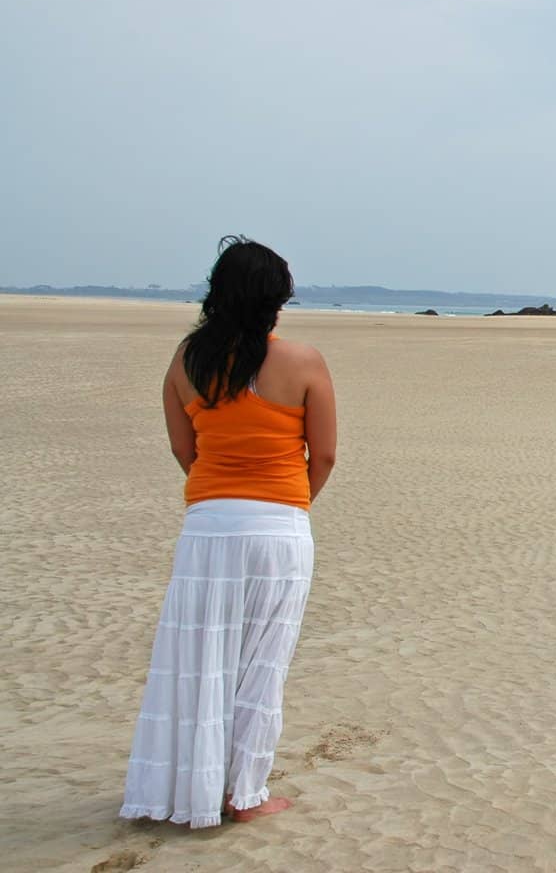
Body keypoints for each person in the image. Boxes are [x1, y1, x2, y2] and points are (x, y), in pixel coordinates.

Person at [119, 236, 337, 828]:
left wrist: (220, 495)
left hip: (208, 526)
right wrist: (290, 506)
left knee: (198, 655)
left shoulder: (186, 359)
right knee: (261, 660)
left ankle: (186, 788)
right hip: (279, 528)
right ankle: (245, 794)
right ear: (277, 299)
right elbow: (324, 457)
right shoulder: (303, 361)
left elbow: (181, 448)